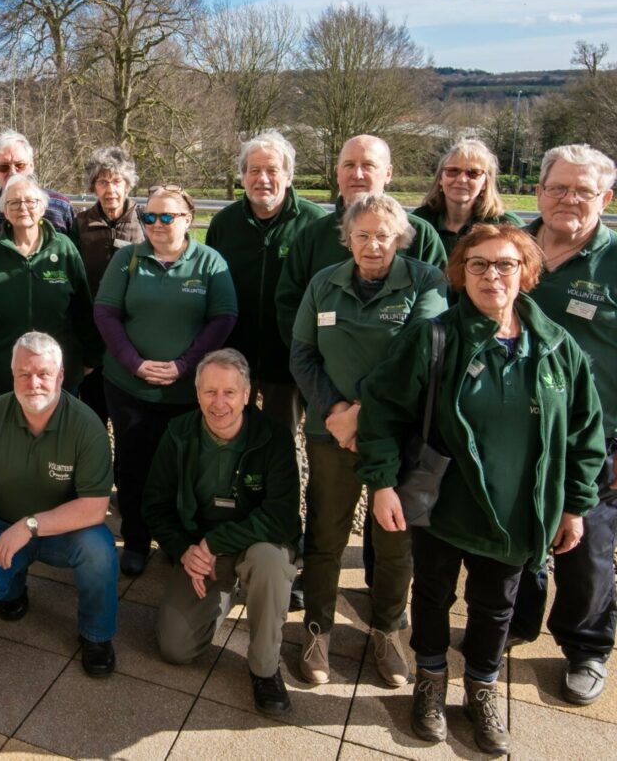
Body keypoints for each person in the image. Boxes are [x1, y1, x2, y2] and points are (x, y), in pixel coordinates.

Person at [358, 223, 606, 754]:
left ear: (526, 272)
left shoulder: (558, 347)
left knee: (497, 606)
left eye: (505, 264)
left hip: (521, 510)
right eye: (479, 265)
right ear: (461, 274)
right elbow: (381, 409)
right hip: (445, 503)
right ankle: (429, 681)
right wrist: (381, 483)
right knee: (431, 594)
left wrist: (575, 506)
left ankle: (481, 689)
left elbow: (585, 432)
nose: (492, 275)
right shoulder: (435, 337)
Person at [290, 193, 448, 689]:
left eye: (383, 235)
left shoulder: (425, 280)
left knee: (394, 541)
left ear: (400, 238)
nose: (373, 245)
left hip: (397, 441)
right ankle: (317, 630)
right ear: (348, 239)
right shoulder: (324, 283)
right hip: (330, 434)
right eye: (362, 235)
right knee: (325, 538)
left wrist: (364, 416)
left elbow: (419, 356)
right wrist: (337, 412)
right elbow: (303, 354)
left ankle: (385, 631)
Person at [509, 144, 617, 705]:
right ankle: (518, 621)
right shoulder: (512, 247)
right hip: (513, 429)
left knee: (586, 544)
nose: (569, 199)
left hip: (590, 438)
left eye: (584, 190)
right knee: (516, 532)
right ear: (539, 190)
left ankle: (586, 645)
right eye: (558, 187)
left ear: (607, 196)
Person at [143, 349, 300, 714]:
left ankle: (265, 670)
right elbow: (156, 505)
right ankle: (224, 592)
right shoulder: (179, 433)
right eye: (210, 392)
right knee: (175, 649)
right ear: (197, 394)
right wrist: (186, 551)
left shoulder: (273, 438)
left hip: (255, 546)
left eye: (230, 392)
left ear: (248, 395)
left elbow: (281, 517)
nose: (219, 403)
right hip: (199, 547)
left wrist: (214, 543)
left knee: (270, 563)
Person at [0, 332, 119, 676]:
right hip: (0, 521)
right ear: (12, 376)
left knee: (100, 551)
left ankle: (96, 635)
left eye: (43, 374)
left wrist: (29, 526)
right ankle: (13, 586)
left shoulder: (86, 426)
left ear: (60, 377)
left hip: (64, 530)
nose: (34, 383)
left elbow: (93, 507)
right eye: (24, 374)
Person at [94, 184, 238, 576]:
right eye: (149, 217)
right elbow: (106, 313)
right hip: (129, 387)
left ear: (188, 219)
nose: (156, 224)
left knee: (183, 469)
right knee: (133, 468)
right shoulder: (128, 258)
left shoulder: (209, 262)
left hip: (186, 390)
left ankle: (179, 542)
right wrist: (135, 363)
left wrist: (185, 365)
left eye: (167, 216)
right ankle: (137, 541)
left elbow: (223, 317)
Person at [205, 130, 324, 433]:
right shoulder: (224, 224)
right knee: (229, 435)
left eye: (272, 170)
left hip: (288, 359)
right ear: (243, 176)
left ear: (288, 176)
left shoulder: (313, 224)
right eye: (254, 170)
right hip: (232, 355)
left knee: (282, 439)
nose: (263, 179)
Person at [276, 134, 447, 344]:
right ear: (337, 173)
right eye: (349, 165)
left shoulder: (420, 235)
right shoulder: (312, 235)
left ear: (388, 173)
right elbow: (289, 305)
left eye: (368, 165)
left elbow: (438, 311)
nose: (357, 174)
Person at [0, 173, 101, 399]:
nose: (23, 207)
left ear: (42, 207)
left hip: (57, 373)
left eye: (30, 201)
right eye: (14, 202)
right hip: (1, 376)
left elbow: (82, 308)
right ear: (4, 209)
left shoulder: (64, 249)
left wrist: (90, 358)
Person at [69, 146, 145, 427]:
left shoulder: (145, 222)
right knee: (93, 416)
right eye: (103, 182)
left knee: (130, 419)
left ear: (127, 184)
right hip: (93, 337)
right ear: (93, 186)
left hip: (134, 335)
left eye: (117, 181)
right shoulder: (80, 224)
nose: (110, 189)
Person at [412, 137, 522, 258]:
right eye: (453, 171)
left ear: (485, 183)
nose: (462, 179)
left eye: (473, 173)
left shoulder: (507, 226)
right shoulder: (417, 224)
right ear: (440, 179)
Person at [0, 130, 75, 240]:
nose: (13, 172)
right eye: (4, 167)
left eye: (20, 165)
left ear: (32, 166)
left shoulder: (61, 207)